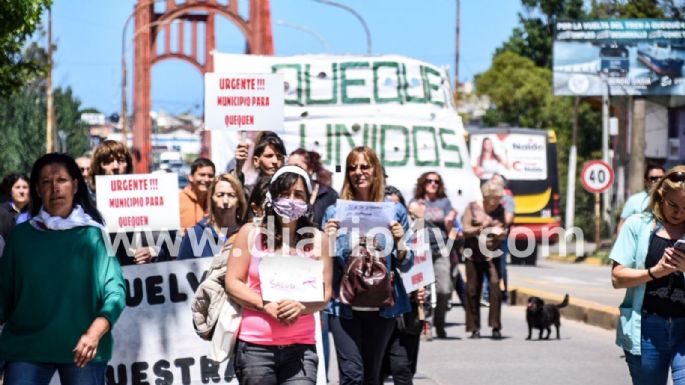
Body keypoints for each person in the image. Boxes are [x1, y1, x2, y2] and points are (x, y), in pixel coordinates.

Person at [0, 153, 126, 385]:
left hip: (84, 349)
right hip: (26, 349)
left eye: (61, 180)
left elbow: (116, 291)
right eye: (46, 182)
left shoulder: (96, 235)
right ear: (37, 189)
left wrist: (95, 332)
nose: (54, 188)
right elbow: (3, 295)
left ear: (75, 185)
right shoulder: (21, 237)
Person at [226, 165, 332, 385]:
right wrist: (264, 304)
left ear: (307, 200)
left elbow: (325, 294)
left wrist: (302, 307)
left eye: (298, 194)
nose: (291, 200)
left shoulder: (318, 240)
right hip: (256, 348)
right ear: (272, 197)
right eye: (284, 194)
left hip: (301, 349)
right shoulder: (250, 233)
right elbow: (232, 282)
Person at [322, 146, 413, 385]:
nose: (358, 172)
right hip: (343, 306)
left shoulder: (395, 211)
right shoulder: (335, 211)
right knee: (352, 374)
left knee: (373, 376)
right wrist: (327, 239)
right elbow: (324, 261)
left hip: (382, 307)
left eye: (365, 166)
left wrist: (401, 240)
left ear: (375, 171)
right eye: (352, 167)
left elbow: (408, 263)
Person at [610, 166, 685, 385]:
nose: (679, 213)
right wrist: (655, 272)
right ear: (661, 195)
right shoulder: (637, 225)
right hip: (647, 329)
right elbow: (617, 277)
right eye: (673, 205)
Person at [381, 185, 426, 385]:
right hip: (379, 309)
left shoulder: (414, 234)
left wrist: (421, 287)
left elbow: (421, 267)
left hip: (406, 311)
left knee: (403, 368)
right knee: (378, 368)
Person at [408, 172, 456, 338]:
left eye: (436, 181)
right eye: (429, 181)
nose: (433, 184)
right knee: (424, 290)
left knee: (444, 288)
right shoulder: (415, 202)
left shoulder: (445, 202)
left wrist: (450, 222)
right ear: (423, 183)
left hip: (441, 247)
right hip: (421, 249)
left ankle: (439, 322)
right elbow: (410, 223)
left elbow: (451, 223)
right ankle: (425, 324)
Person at [462, 180, 507, 339]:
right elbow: (465, 230)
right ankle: (474, 327)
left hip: (492, 254)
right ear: (486, 198)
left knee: (495, 288)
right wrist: (481, 228)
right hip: (473, 253)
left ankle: (495, 326)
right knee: (473, 289)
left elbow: (504, 227)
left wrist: (500, 234)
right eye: (493, 201)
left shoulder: (500, 209)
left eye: (498, 201)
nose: (496, 205)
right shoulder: (472, 208)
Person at [178, 173, 246, 259]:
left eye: (231, 195)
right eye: (220, 195)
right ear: (211, 199)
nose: (225, 201)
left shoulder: (247, 233)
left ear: (239, 201)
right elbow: (181, 269)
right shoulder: (196, 234)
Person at [482, 173, 515, 304]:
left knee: (500, 266)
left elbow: (508, 218)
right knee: (485, 264)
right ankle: (486, 294)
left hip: (500, 238)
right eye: (492, 181)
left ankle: (502, 293)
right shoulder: (483, 198)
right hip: (484, 236)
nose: (494, 184)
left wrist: (496, 225)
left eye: (497, 182)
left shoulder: (507, 199)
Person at [288, 148, 339, 230]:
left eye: (297, 166)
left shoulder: (329, 195)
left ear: (310, 169)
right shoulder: (285, 195)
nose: (291, 171)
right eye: (288, 167)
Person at [232, 131, 286, 196]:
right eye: (269, 156)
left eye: (279, 156)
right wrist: (239, 167)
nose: (275, 161)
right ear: (256, 161)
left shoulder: (291, 190)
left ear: (283, 160)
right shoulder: (251, 193)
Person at [617, 164, 666, 234]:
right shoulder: (634, 200)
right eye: (653, 178)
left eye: (662, 178)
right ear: (645, 181)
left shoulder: (671, 200)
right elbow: (622, 225)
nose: (658, 181)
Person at [179, 158, 216, 231]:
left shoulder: (216, 200)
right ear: (191, 177)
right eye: (202, 175)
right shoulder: (178, 200)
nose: (206, 179)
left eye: (210, 176)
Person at [0, 173, 30, 240]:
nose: (21, 191)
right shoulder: (1, 212)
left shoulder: (35, 211)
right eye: (17, 187)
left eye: (25, 187)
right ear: (10, 191)